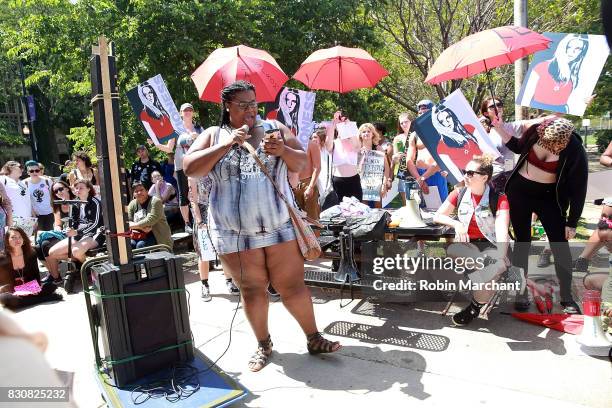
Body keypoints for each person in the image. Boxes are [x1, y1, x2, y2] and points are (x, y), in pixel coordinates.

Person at [184, 80, 340, 372]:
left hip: (278, 225)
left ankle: (313, 337)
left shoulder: (275, 129)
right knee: (253, 290)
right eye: (242, 104)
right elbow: (191, 167)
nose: (250, 110)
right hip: (233, 233)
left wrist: (282, 150)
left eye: (253, 103)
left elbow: (303, 166)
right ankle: (264, 345)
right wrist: (227, 143)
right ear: (227, 106)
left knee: (291, 286)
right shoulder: (213, 134)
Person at [504, 118, 587, 314]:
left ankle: (567, 297)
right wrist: (499, 127)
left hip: (550, 198)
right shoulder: (535, 131)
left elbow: (578, 187)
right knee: (522, 243)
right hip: (520, 192)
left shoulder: (574, 148)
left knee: (560, 246)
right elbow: (517, 146)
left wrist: (572, 221)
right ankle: (520, 292)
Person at [434, 155, 511, 325]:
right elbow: (438, 215)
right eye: (464, 172)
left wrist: (501, 254)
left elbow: (501, 229)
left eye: (470, 173)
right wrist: (456, 224)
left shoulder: (499, 198)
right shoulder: (459, 193)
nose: (465, 176)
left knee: (489, 275)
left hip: (490, 246)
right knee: (488, 269)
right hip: (465, 247)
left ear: (485, 177)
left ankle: (474, 307)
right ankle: (484, 279)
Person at [150, 102, 203, 233]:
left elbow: (207, 143)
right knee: (183, 194)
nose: (187, 112)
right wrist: (155, 143)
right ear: (180, 113)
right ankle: (187, 223)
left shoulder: (199, 128)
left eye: (190, 109)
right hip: (181, 166)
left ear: (193, 112)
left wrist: (198, 137)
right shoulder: (176, 129)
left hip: (197, 164)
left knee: (200, 193)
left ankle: (202, 219)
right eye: (185, 110)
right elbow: (169, 148)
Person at [189, 176, 239, 301]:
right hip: (202, 213)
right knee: (204, 252)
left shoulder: (215, 168)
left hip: (219, 211)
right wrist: (200, 221)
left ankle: (229, 281)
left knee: (224, 249)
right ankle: (204, 284)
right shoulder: (193, 175)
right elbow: (193, 201)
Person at [45, 179, 104, 281]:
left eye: (81, 188)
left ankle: (89, 269)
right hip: (79, 235)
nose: (78, 190)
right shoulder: (75, 202)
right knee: (52, 252)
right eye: (76, 188)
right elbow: (74, 222)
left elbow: (95, 223)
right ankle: (87, 263)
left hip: (95, 233)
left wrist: (77, 232)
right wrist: (70, 229)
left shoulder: (95, 202)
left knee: (76, 251)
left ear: (89, 189)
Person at [520, 34, 589, 113]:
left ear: (582, 52)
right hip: (540, 117)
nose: (572, 51)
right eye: (569, 47)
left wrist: (585, 102)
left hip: (561, 115)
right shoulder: (541, 67)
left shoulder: (576, 74)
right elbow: (525, 99)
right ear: (563, 47)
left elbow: (575, 102)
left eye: (578, 48)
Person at [0, 227, 61, 310]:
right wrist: (17, 291)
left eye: (19, 237)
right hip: (13, 290)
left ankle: (24, 301)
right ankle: (44, 299)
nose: (17, 240)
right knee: (5, 298)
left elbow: (35, 276)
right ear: (7, 241)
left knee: (51, 286)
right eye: (13, 237)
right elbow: (3, 283)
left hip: (29, 287)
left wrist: (34, 288)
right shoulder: (2, 258)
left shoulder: (31, 254)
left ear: (24, 239)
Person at [431, 102, 483, 178]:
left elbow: (488, 151)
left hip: (488, 169)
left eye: (448, 117)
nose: (447, 122)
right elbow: (457, 176)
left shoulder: (469, 128)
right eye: (442, 121)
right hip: (470, 179)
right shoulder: (441, 147)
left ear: (452, 116)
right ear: (439, 124)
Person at [36, 181, 74, 281]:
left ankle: (55, 277)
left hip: (74, 234)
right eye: (55, 191)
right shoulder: (57, 205)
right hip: (63, 234)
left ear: (67, 188)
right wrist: (57, 230)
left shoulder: (76, 201)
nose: (58, 192)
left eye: (60, 189)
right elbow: (58, 224)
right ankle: (54, 274)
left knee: (45, 244)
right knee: (37, 247)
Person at [324, 110, 363, 201]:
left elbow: (357, 146)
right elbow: (328, 146)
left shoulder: (354, 139)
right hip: (338, 181)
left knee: (356, 211)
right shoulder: (334, 142)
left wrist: (348, 124)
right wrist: (333, 124)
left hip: (354, 181)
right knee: (340, 212)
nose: (341, 123)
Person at [128, 181, 173, 250]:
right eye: (136, 191)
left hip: (156, 235)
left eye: (141, 190)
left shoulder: (155, 201)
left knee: (141, 246)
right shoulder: (132, 204)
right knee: (129, 245)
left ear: (147, 191)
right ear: (133, 194)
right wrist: (141, 228)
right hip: (137, 235)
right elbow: (127, 221)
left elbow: (150, 220)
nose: (139, 193)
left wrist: (133, 225)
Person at [358, 123, 391, 207]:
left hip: (377, 184)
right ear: (360, 135)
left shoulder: (378, 148)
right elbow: (357, 169)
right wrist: (363, 157)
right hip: (361, 183)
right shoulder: (357, 150)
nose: (366, 133)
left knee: (378, 208)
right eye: (363, 132)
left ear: (373, 134)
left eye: (368, 131)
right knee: (363, 208)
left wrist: (384, 184)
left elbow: (386, 169)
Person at [292, 126, 321, 219]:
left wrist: (311, 187)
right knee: (296, 220)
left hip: (307, 183)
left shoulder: (311, 145)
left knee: (312, 218)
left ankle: (315, 233)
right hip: (293, 185)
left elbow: (317, 167)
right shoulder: (289, 144)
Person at [0, 161, 33, 236]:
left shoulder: (22, 183)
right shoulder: (2, 179)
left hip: (26, 219)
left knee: (25, 242)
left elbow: (28, 200)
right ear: (11, 167)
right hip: (12, 218)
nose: (22, 169)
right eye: (20, 167)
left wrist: (32, 216)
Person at [23, 161, 54, 232]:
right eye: (31, 171)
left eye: (37, 170)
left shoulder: (47, 181)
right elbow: (27, 200)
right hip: (36, 214)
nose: (34, 173)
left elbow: (53, 196)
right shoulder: (24, 183)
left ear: (40, 171)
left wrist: (53, 209)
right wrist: (33, 215)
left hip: (50, 212)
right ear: (28, 172)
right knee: (39, 236)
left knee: (51, 234)